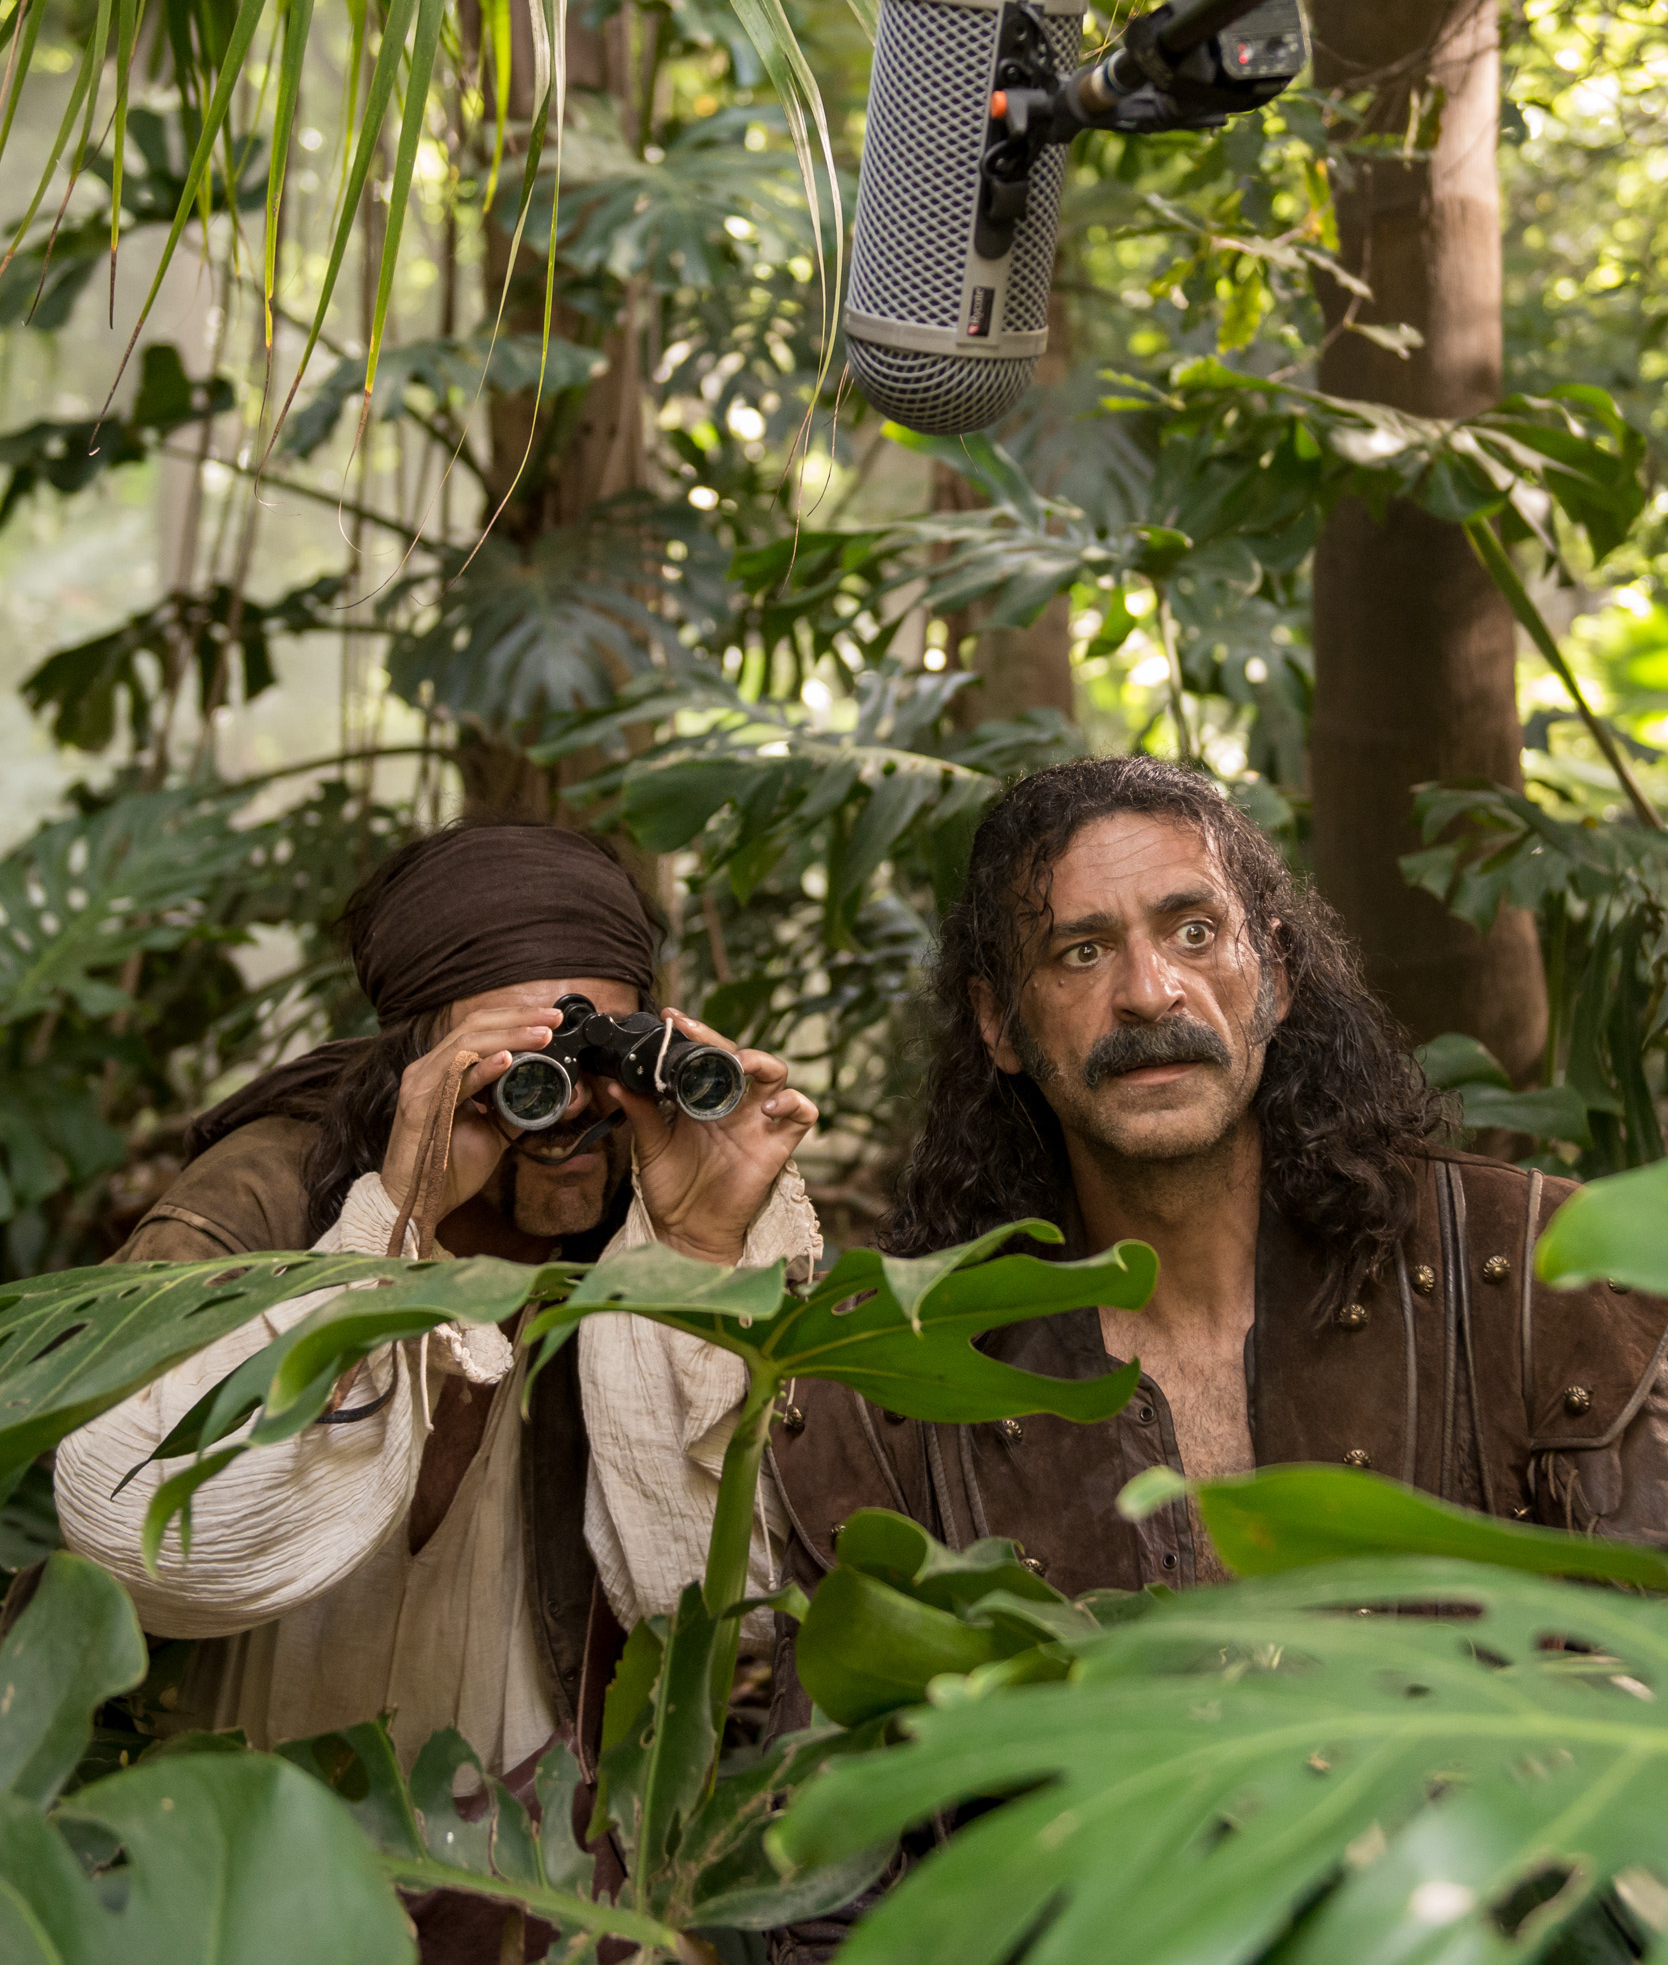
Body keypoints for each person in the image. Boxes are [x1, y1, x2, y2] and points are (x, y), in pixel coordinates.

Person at [583, 752, 1668, 1733]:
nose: (1149, 993)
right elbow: (734, 1659)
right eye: (1082, 950)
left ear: (1276, 975)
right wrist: (699, 1245)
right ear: (1000, 1022)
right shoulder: (904, 1370)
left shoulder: (1535, 1268)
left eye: (1194, 931)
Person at [54, 819, 821, 1958]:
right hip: (234, 1849)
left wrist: (698, 1254)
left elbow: (719, 1586)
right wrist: (393, 1233)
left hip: (531, 1865)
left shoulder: (650, 1210)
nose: (571, 1112)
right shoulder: (264, 1193)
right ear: (419, 1058)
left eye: (600, 1059)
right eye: (525, 1070)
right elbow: (141, 1537)